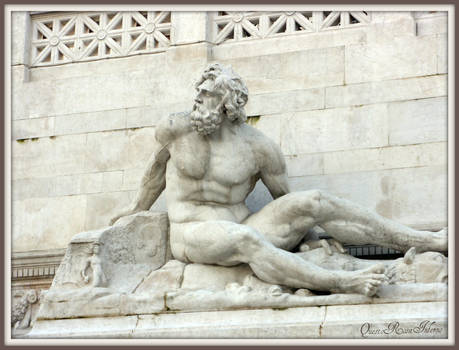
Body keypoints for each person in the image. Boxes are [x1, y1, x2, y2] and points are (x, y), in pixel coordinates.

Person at [110, 63, 447, 296]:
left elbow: (285, 200)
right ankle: (342, 282)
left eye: (208, 93)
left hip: (247, 224)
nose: (198, 97)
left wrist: (309, 237)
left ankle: (428, 242)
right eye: (198, 90)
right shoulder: (176, 128)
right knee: (245, 239)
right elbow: (156, 168)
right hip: (192, 233)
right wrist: (135, 207)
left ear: (229, 103)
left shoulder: (259, 149)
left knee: (314, 200)